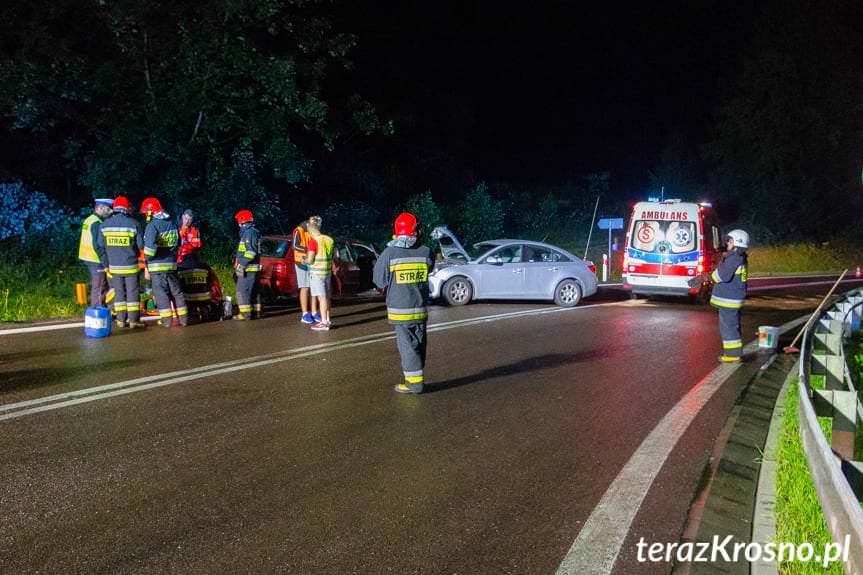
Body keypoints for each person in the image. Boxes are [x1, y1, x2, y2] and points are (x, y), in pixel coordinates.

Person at [373, 212, 433, 394]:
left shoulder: (390, 253)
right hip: (420, 308)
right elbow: (430, 269)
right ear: (414, 230)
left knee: (407, 348)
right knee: (419, 344)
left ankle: (414, 384)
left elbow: (379, 280)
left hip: (400, 310)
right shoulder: (425, 251)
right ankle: (417, 376)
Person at [690, 229, 749, 362]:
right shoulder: (739, 257)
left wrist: (703, 277)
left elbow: (721, 276)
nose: (727, 243)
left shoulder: (734, 258)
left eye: (729, 240)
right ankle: (735, 353)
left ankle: (733, 355)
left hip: (729, 300)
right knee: (732, 327)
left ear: (736, 243)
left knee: (728, 328)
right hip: (733, 299)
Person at [98, 196, 145, 328]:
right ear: (126, 208)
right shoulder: (134, 224)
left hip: (114, 267)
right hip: (130, 266)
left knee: (119, 293)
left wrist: (106, 264)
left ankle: (120, 320)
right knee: (132, 293)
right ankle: (134, 321)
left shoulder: (104, 225)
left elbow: (100, 245)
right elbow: (141, 245)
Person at [142, 197, 188, 327]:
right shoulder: (172, 223)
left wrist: (147, 260)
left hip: (157, 267)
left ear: (150, 211)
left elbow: (150, 251)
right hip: (172, 265)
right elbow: (178, 244)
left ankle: (166, 321)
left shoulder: (152, 226)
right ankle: (184, 319)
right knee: (177, 292)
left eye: (146, 211)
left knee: (161, 293)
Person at [78, 198, 113, 308]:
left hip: (89, 257)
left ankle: (101, 308)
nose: (110, 212)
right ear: (100, 208)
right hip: (95, 259)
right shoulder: (96, 223)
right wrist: (105, 263)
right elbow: (98, 246)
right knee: (100, 286)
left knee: (100, 285)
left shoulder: (89, 220)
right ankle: (97, 311)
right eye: (108, 209)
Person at [306, 215, 334, 331]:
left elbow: (310, 260)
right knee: (327, 297)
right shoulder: (328, 239)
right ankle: (327, 319)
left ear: (310, 227)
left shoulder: (313, 242)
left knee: (321, 298)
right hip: (327, 272)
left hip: (317, 273)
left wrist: (304, 260)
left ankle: (323, 323)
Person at [233, 209, 263, 320]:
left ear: (242, 220)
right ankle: (256, 312)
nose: (237, 223)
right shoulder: (253, 232)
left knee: (242, 290)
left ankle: (245, 314)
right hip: (253, 268)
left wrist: (242, 265)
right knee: (254, 291)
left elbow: (250, 252)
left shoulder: (248, 233)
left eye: (238, 220)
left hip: (247, 268)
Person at [291, 219, 317, 324]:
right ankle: (305, 314)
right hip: (301, 263)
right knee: (305, 288)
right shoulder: (299, 230)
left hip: (311, 262)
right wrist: (307, 249)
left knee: (313, 288)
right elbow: (294, 245)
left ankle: (314, 312)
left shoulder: (311, 231)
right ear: (307, 224)